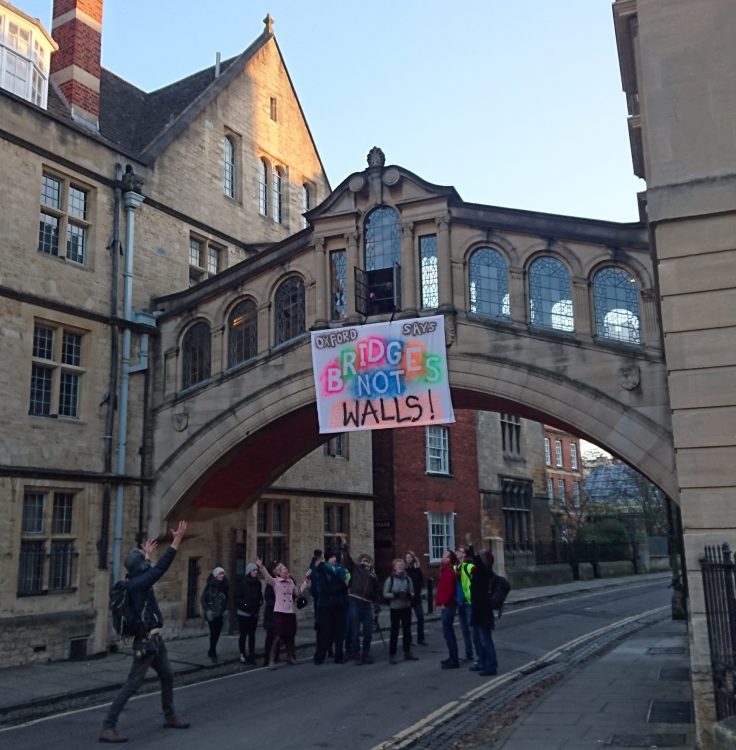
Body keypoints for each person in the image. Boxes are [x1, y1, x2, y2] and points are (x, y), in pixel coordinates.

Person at [99, 520, 190, 743]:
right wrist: (176, 540)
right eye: (143, 560)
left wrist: (146, 555)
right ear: (140, 567)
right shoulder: (138, 585)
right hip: (145, 643)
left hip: (155, 640)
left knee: (167, 675)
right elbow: (159, 569)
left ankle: (170, 716)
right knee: (132, 684)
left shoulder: (135, 580)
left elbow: (147, 571)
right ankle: (108, 726)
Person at [255, 557, 307, 669]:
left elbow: (297, 593)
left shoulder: (291, 582)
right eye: (284, 569)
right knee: (277, 636)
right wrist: (261, 567)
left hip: (290, 612)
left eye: (286, 569)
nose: (286, 571)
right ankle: (271, 660)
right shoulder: (275, 583)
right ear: (278, 573)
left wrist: (305, 583)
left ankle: (290, 656)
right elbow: (267, 577)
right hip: (280, 612)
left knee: (289, 636)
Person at [311, 546, 350, 664]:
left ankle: (339, 656)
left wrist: (342, 586)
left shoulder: (340, 569)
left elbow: (346, 582)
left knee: (339, 632)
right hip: (326, 605)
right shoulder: (322, 569)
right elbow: (325, 587)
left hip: (339, 604)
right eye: (332, 557)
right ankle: (319, 657)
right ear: (327, 559)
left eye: (335, 557)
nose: (334, 559)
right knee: (325, 632)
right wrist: (342, 586)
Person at [344, 541, 379, 664]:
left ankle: (365, 653)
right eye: (364, 560)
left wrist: (376, 606)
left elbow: (375, 593)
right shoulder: (355, 569)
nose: (366, 563)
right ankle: (356, 653)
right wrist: (345, 547)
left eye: (368, 561)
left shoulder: (373, 576)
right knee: (355, 630)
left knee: (368, 631)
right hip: (355, 600)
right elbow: (348, 560)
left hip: (367, 604)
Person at [468, 546, 498, 676]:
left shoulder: (484, 572)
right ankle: (484, 662)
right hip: (478, 610)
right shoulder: (481, 572)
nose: (476, 560)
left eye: (480, 557)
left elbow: (477, 561)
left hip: (483, 611)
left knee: (485, 639)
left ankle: (491, 666)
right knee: (480, 639)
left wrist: (471, 547)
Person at [383, 557, 418, 664]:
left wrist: (408, 595)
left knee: (407, 631)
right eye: (398, 565)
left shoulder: (408, 579)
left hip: (406, 607)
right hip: (395, 608)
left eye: (402, 565)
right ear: (394, 567)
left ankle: (407, 652)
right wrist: (395, 595)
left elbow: (413, 592)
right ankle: (392, 654)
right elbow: (385, 594)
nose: (400, 567)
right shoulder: (390, 579)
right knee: (394, 631)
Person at [435, 549, 460, 669]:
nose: (442, 557)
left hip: (449, 605)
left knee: (448, 633)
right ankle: (452, 657)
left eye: (444, 555)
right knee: (447, 633)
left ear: (449, 559)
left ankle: (454, 660)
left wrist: (444, 603)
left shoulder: (449, 571)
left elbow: (450, 590)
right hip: (446, 605)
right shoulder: (445, 570)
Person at [236, 562, 263, 664]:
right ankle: (242, 654)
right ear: (249, 572)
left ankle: (251, 655)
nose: (255, 572)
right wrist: (246, 605)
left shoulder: (258, 583)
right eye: (253, 570)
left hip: (254, 613)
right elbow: (238, 598)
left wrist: (260, 602)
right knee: (243, 635)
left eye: (256, 570)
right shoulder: (242, 583)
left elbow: (260, 595)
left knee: (252, 635)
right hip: (243, 614)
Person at [201, 566, 229, 663]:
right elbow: (203, 599)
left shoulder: (225, 585)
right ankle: (213, 652)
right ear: (215, 575)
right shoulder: (210, 585)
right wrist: (207, 610)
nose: (221, 575)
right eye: (219, 574)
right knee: (213, 633)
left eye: (222, 574)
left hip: (221, 612)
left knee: (217, 633)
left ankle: (212, 649)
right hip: (212, 613)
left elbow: (228, 598)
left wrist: (226, 609)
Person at [455, 544, 476, 664]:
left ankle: (478, 655)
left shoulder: (469, 565)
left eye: (460, 550)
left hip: (468, 601)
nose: (457, 552)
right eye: (457, 550)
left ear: (464, 554)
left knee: (472, 629)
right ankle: (469, 654)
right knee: (464, 630)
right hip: (460, 601)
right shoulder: (456, 566)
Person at [404, 550, 426, 646]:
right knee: (407, 620)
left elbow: (421, 581)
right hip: (408, 598)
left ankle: (421, 639)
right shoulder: (404, 570)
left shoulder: (417, 569)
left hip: (416, 597)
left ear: (413, 559)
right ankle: (409, 640)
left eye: (410, 557)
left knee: (420, 617)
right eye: (407, 558)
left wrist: (418, 566)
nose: (408, 559)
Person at [261, 561, 279, 667]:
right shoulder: (271, 583)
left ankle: (275, 656)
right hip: (272, 614)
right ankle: (268, 658)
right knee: (270, 637)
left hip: (279, 613)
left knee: (278, 636)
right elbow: (268, 598)